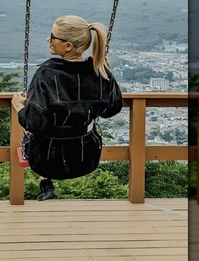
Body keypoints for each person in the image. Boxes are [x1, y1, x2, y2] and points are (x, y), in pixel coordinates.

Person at [12, 15, 123, 201]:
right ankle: (46, 184)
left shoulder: (46, 75)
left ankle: (45, 183)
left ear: (68, 46)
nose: (49, 39)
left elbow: (33, 123)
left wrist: (18, 106)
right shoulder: (100, 72)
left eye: (53, 36)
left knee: (39, 135)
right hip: (87, 155)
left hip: (47, 159)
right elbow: (112, 109)